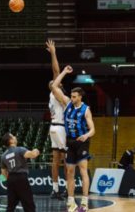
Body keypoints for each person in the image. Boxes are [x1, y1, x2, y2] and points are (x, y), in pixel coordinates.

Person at [52, 65, 96, 212]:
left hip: (82, 141)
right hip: (70, 141)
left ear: (80, 97)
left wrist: (86, 135)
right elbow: (54, 87)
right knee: (70, 171)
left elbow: (93, 130)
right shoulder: (67, 103)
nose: (71, 98)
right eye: (71, 96)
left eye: (74, 96)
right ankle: (71, 203)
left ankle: (84, 203)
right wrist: (64, 72)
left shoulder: (86, 110)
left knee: (83, 171)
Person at [46, 39, 68, 200]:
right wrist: (54, 53)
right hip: (60, 127)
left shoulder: (55, 95)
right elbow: (56, 70)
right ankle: (68, 188)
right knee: (68, 160)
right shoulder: (55, 92)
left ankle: (55, 190)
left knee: (56, 161)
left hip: (53, 127)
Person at [0, 133, 40, 212]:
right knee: (28, 204)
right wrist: (36, 150)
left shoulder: (3, 155)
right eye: (13, 136)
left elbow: (3, 172)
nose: (15, 137)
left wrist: (11, 179)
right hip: (21, 178)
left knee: (10, 206)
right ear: (11, 141)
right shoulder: (19, 150)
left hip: (11, 179)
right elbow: (33, 154)